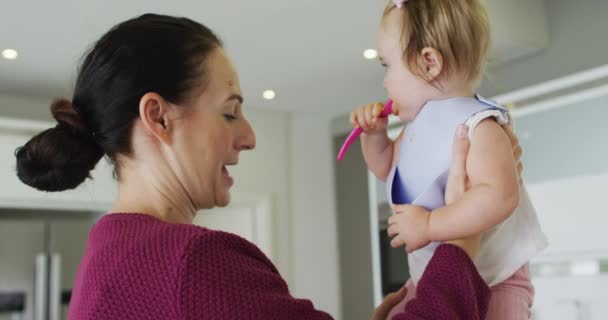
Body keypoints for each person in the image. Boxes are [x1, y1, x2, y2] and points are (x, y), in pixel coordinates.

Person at [15, 14, 522, 320]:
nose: (249, 136)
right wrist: (460, 239)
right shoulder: (190, 262)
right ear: (158, 117)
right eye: (230, 111)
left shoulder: (109, 251)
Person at [350, 0, 547, 319]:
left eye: (388, 66)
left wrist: (430, 225)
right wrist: (374, 137)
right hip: (435, 277)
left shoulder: (479, 127)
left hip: (495, 279)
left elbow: (499, 196)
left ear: (429, 63)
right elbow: (389, 169)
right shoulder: (419, 128)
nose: (385, 81)